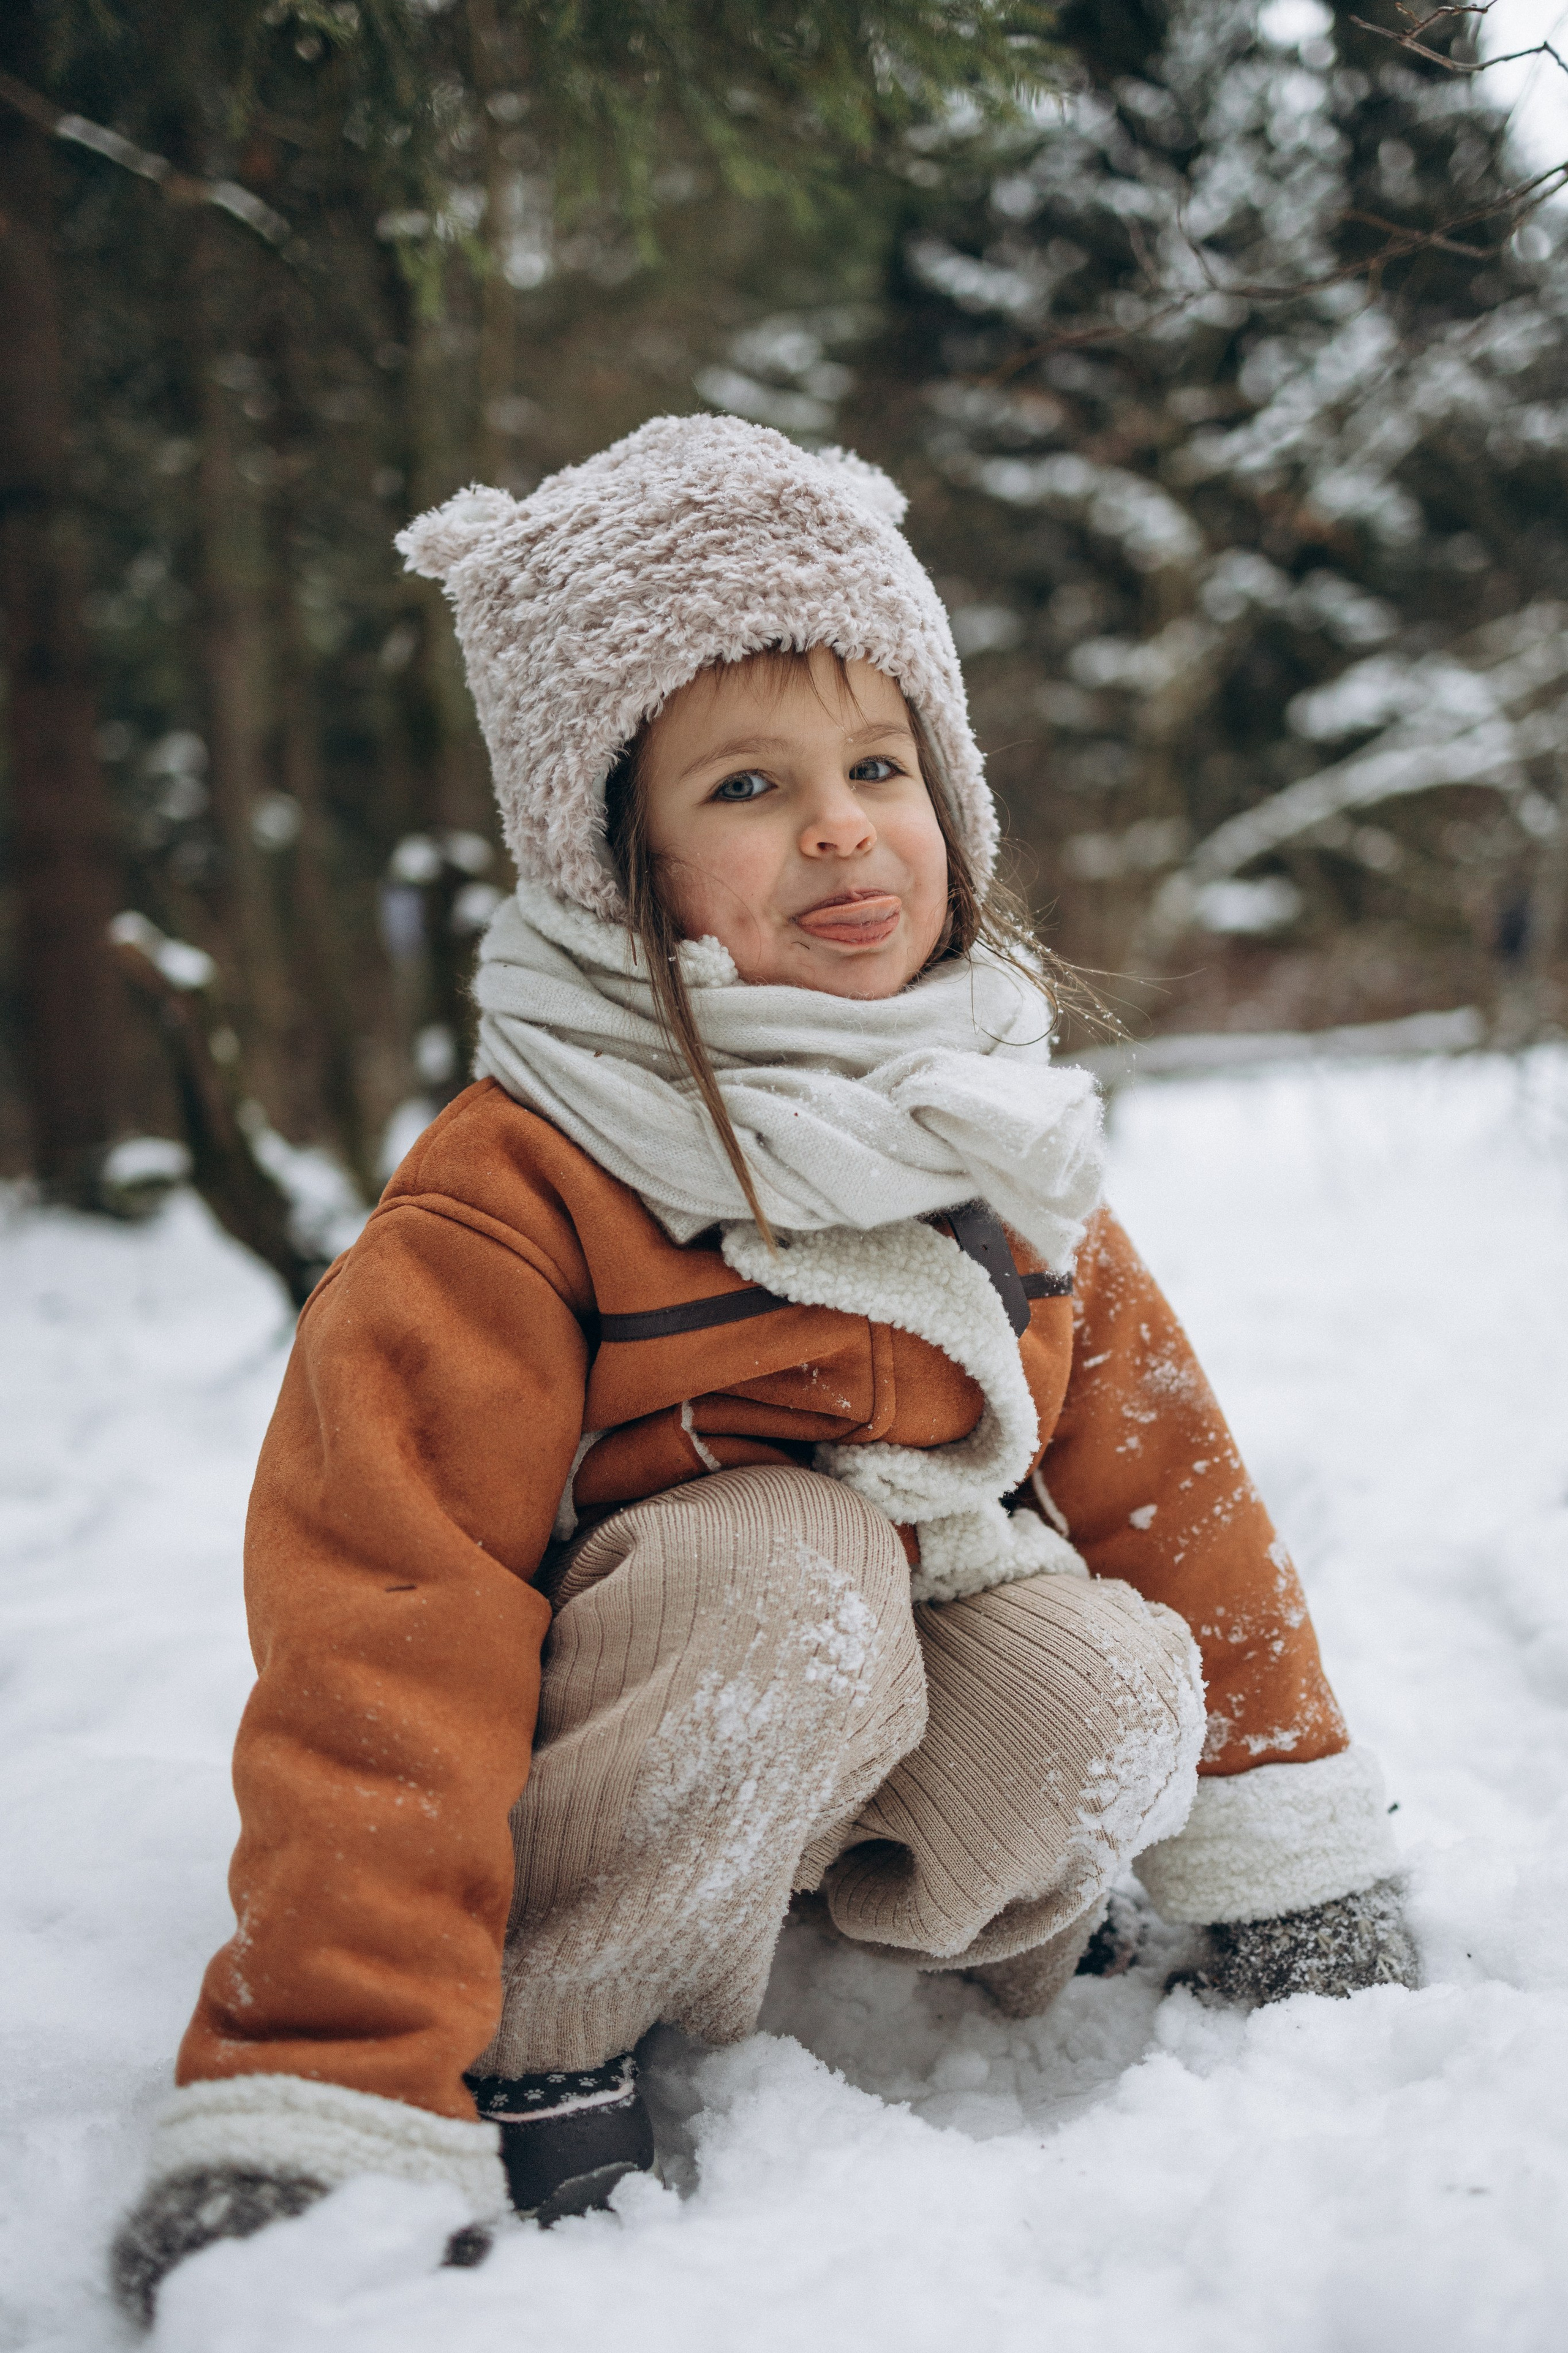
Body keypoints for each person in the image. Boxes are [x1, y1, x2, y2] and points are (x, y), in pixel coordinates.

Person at [111, 417, 1417, 2323]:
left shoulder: (986, 1124)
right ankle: (565, 2013)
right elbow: (386, 1627)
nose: (839, 826)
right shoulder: (529, 1176)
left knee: (1114, 1670)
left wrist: (1283, 1849)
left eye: (879, 764)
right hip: (626, 1715)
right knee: (785, 1567)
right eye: (748, 782)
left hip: (859, 1711)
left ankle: (926, 1925)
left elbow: (1166, 1484)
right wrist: (334, 2072)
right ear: (615, 849)